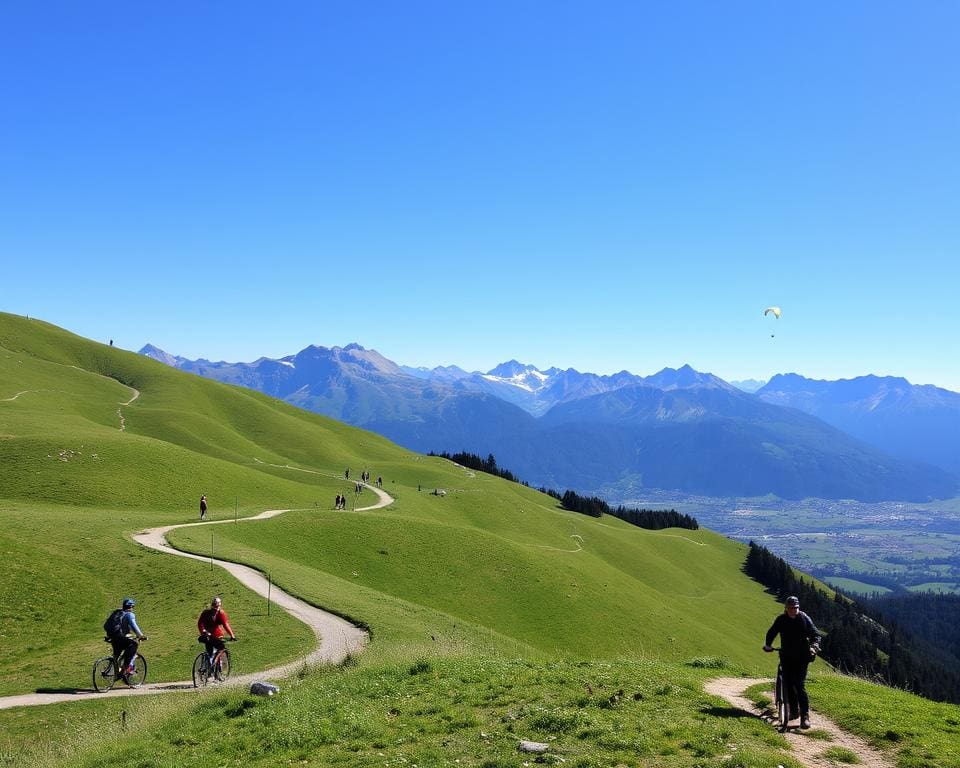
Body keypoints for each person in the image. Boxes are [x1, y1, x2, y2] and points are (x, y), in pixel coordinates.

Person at [764, 596, 821, 728]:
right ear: (786, 609)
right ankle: (794, 711)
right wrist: (768, 645)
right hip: (786, 656)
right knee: (788, 684)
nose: (793, 610)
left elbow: (816, 635)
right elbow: (772, 632)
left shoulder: (804, 618)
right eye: (791, 608)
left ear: (798, 607)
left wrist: (814, 647)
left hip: (802, 656)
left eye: (795, 608)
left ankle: (805, 716)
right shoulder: (781, 619)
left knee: (799, 685)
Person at [106, 597, 147, 676]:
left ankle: (112, 671)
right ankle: (124, 669)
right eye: (133, 607)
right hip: (121, 638)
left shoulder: (117, 613)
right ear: (131, 606)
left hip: (113, 637)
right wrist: (141, 635)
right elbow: (133, 625)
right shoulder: (129, 615)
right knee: (134, 644)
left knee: (116, 655)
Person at [197, 596, 236, 666]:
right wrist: (232, 635)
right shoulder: (220, 613)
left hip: (206, 635)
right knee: (221, 648)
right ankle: (217, 665)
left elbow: (199, 623)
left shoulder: (205, 612)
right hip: (217, 635)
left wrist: (202, 632)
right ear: (219, 605)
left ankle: (208, 668)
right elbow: (225, 624)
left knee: (209, 652)